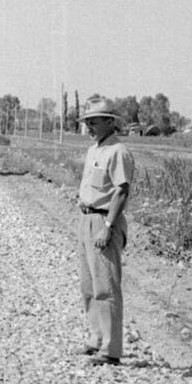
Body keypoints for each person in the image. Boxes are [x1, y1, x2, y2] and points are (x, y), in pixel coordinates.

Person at [76, 96, 134, 366]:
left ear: (110, 123)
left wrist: (109, 227)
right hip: (86, 219)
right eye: (87, 121)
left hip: (103, 222)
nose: (88, 126)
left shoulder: (118, 152)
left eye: (94, 122)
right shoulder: (94, 150)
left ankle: (111, 351)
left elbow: (121, 191)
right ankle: (95, 338)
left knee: (106, 288)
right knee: (89, 286)